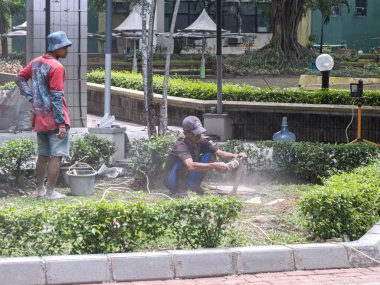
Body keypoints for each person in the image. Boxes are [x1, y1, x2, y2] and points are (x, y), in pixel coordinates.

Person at [15, 31, 72, 200]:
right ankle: (50, 192)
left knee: (43, 155)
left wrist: (32, 97)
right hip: (55, 118)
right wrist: (61, 123)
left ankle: (39, 190)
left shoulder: (35, 63)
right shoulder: (57, 67)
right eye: (64, 47)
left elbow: (20, 79)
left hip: (40, 117)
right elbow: (56, 96)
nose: (67, 50)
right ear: (57, 48)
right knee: (56, 156)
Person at [164, 116, 247, 196]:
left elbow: (221, 154)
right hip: (172, 180)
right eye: (196, 134)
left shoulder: (201, 141)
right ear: (186, 134)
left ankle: (195, 186)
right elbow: (190, 166)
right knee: (184, 163)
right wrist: (215, 165)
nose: (199, 136)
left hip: (188, 176)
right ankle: (180, 190)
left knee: (210, 154)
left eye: (200, 133)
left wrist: (236, 155)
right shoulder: (180, 146)